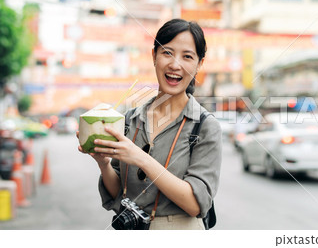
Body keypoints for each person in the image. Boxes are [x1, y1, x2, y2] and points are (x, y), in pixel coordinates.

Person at [77, 19, 222, 230]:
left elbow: (195, 204)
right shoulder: (128, 120)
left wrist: (140, 158)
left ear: (199, 64)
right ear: (154, 56)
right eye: (167, 53)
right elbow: (118, 191)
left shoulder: (205, 127)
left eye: (187, 56)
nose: (175, 64)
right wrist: (103, 162)